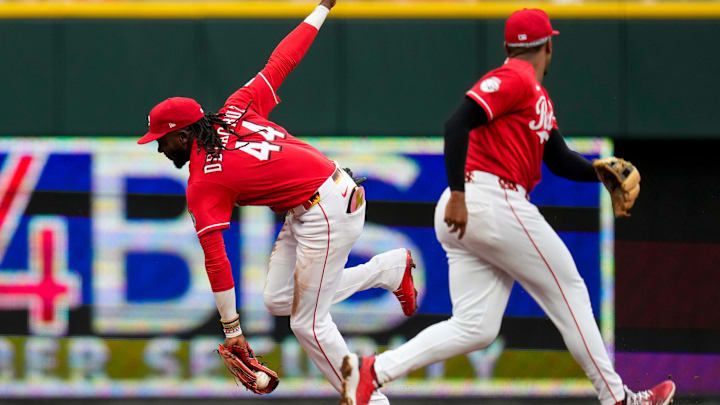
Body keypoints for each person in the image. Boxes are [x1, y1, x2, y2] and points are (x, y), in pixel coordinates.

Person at [340, 8, 675, 405]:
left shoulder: (536, 97)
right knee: (569, 289)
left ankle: (373, 372)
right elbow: (456, 123)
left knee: (476, 326)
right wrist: (461, 195)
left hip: (476, 208)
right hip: (487, 199)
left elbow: (557, 157)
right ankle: (618, 399)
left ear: (508, 45)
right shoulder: (515, 77)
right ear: (548, 46)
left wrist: (598, 175)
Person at [137, 1, 418, 402]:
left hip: (326, 208)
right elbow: (283, 60)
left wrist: (231, 331)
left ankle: (367, 397)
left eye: (161, 139)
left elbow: (216, 259)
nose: (159, 148)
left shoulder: (204, 182)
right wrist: (322, 8)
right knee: (279, 299)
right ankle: (388, 269)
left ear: (183, 134)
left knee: (308, 323)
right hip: (322, 197)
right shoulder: (236, 107)